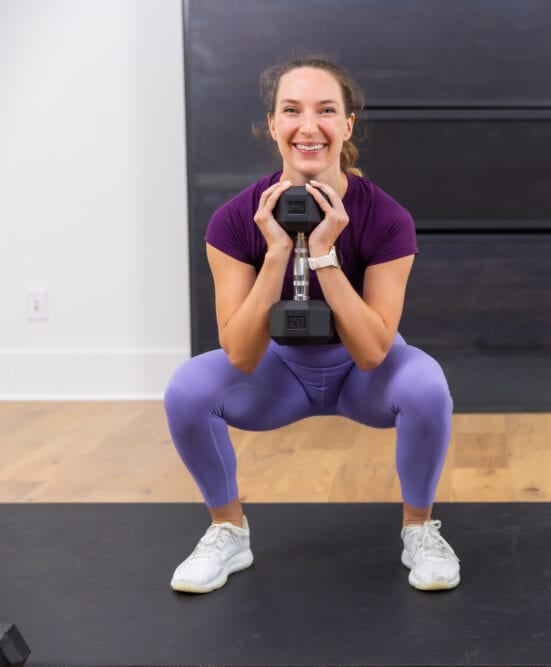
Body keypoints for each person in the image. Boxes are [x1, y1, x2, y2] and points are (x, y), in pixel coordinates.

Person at [163, 54, 459, 594]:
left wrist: (324, 253)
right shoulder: (233, 220)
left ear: (347, 125)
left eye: (326, 110)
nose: (308, 126)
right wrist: (276, 253)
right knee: (187, 387)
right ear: (272, 125)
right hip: (277, 375)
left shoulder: (387, 217)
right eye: (291, 110)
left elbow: (374, 352)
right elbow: (242, 355)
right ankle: (228, 530)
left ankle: (419, 528)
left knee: (426, 384)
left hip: (361, 377)